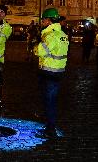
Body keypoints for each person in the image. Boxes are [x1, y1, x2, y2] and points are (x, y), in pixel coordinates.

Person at [33, 8, 69, 138]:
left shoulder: (50, 35)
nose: (42, 21)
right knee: (51, 100)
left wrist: (35, 45)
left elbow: (40, 52)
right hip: (58, 71)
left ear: (48, 20)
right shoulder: (63, 35)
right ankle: (49, 124)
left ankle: (50, 129)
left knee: (49, 101)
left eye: (43, 19)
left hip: (48, 72)